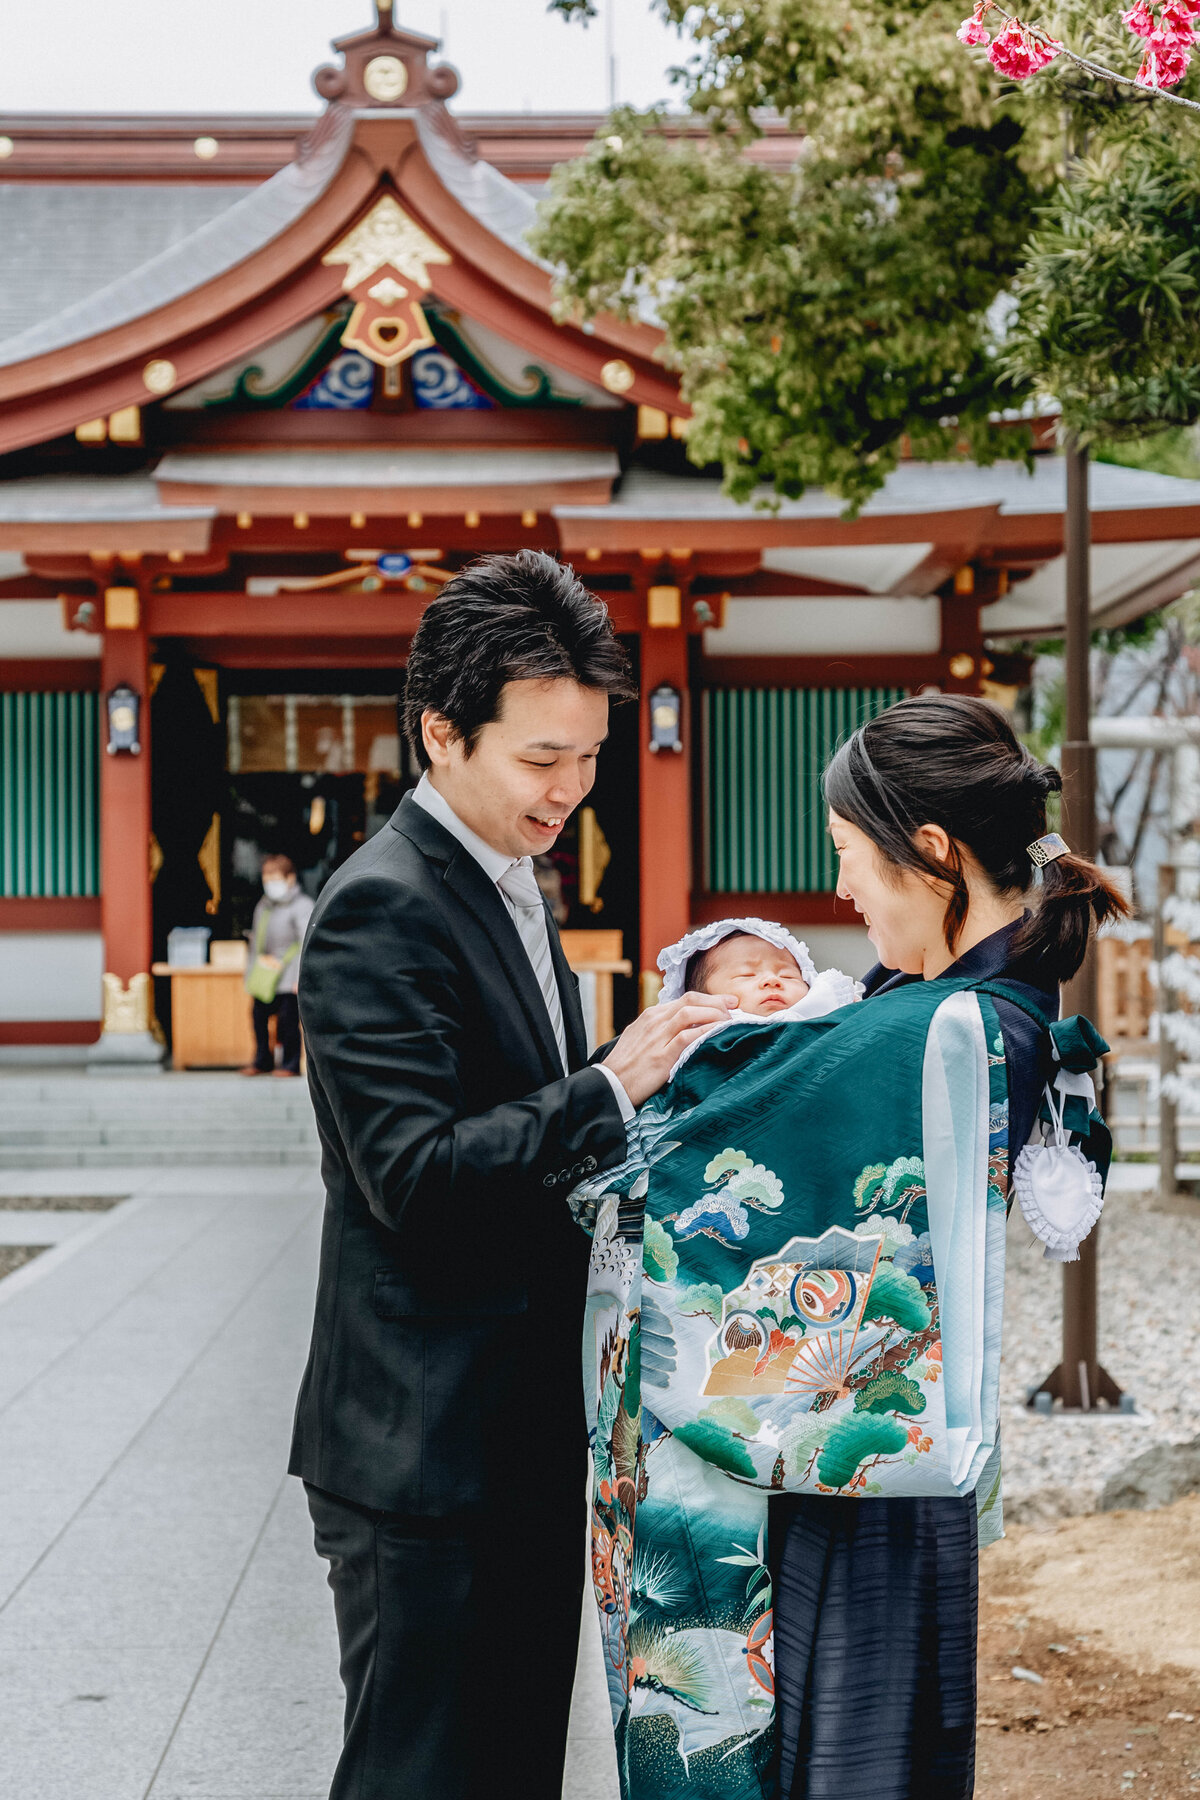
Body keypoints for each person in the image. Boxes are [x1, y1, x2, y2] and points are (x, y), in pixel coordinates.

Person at [569, 693, 1124, 1800]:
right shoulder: (975, 1005)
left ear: (931, 852)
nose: (839, 892)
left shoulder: (924, 1030)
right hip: (879, 1468)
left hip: (826, 1484)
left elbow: (659, 1158)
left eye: (847, 857)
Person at [289, 550, 738, 1800]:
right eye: (542, 759)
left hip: (517, 1426)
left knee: (510, 1770)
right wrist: (609, 1085)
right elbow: (416, 1175)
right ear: (443, 733)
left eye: (589, 755)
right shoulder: (381, 905)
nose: (572, 790)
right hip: (421, 1450)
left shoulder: (505, 881)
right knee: (420, 1776)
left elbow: (521, 1115)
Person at [656, 917, 861, 1073]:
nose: (772, 980)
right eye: (747, 975)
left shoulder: (820, 1010)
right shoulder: (706, 1038)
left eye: (787, 975)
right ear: (701, 999)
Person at [241, 853, 313, 1077]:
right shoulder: (264, 906)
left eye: (276, 878)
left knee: (288, 1022)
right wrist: (250, 973)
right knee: (258, 1016)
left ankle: (290, 1064)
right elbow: (257, 942)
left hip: (289, 972)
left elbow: (305, 942)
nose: (271, 884)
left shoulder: (302, 905)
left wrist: (299, 977)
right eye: (267, 878)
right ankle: (262, 1060)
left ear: (290, 878)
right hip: (266, 973)